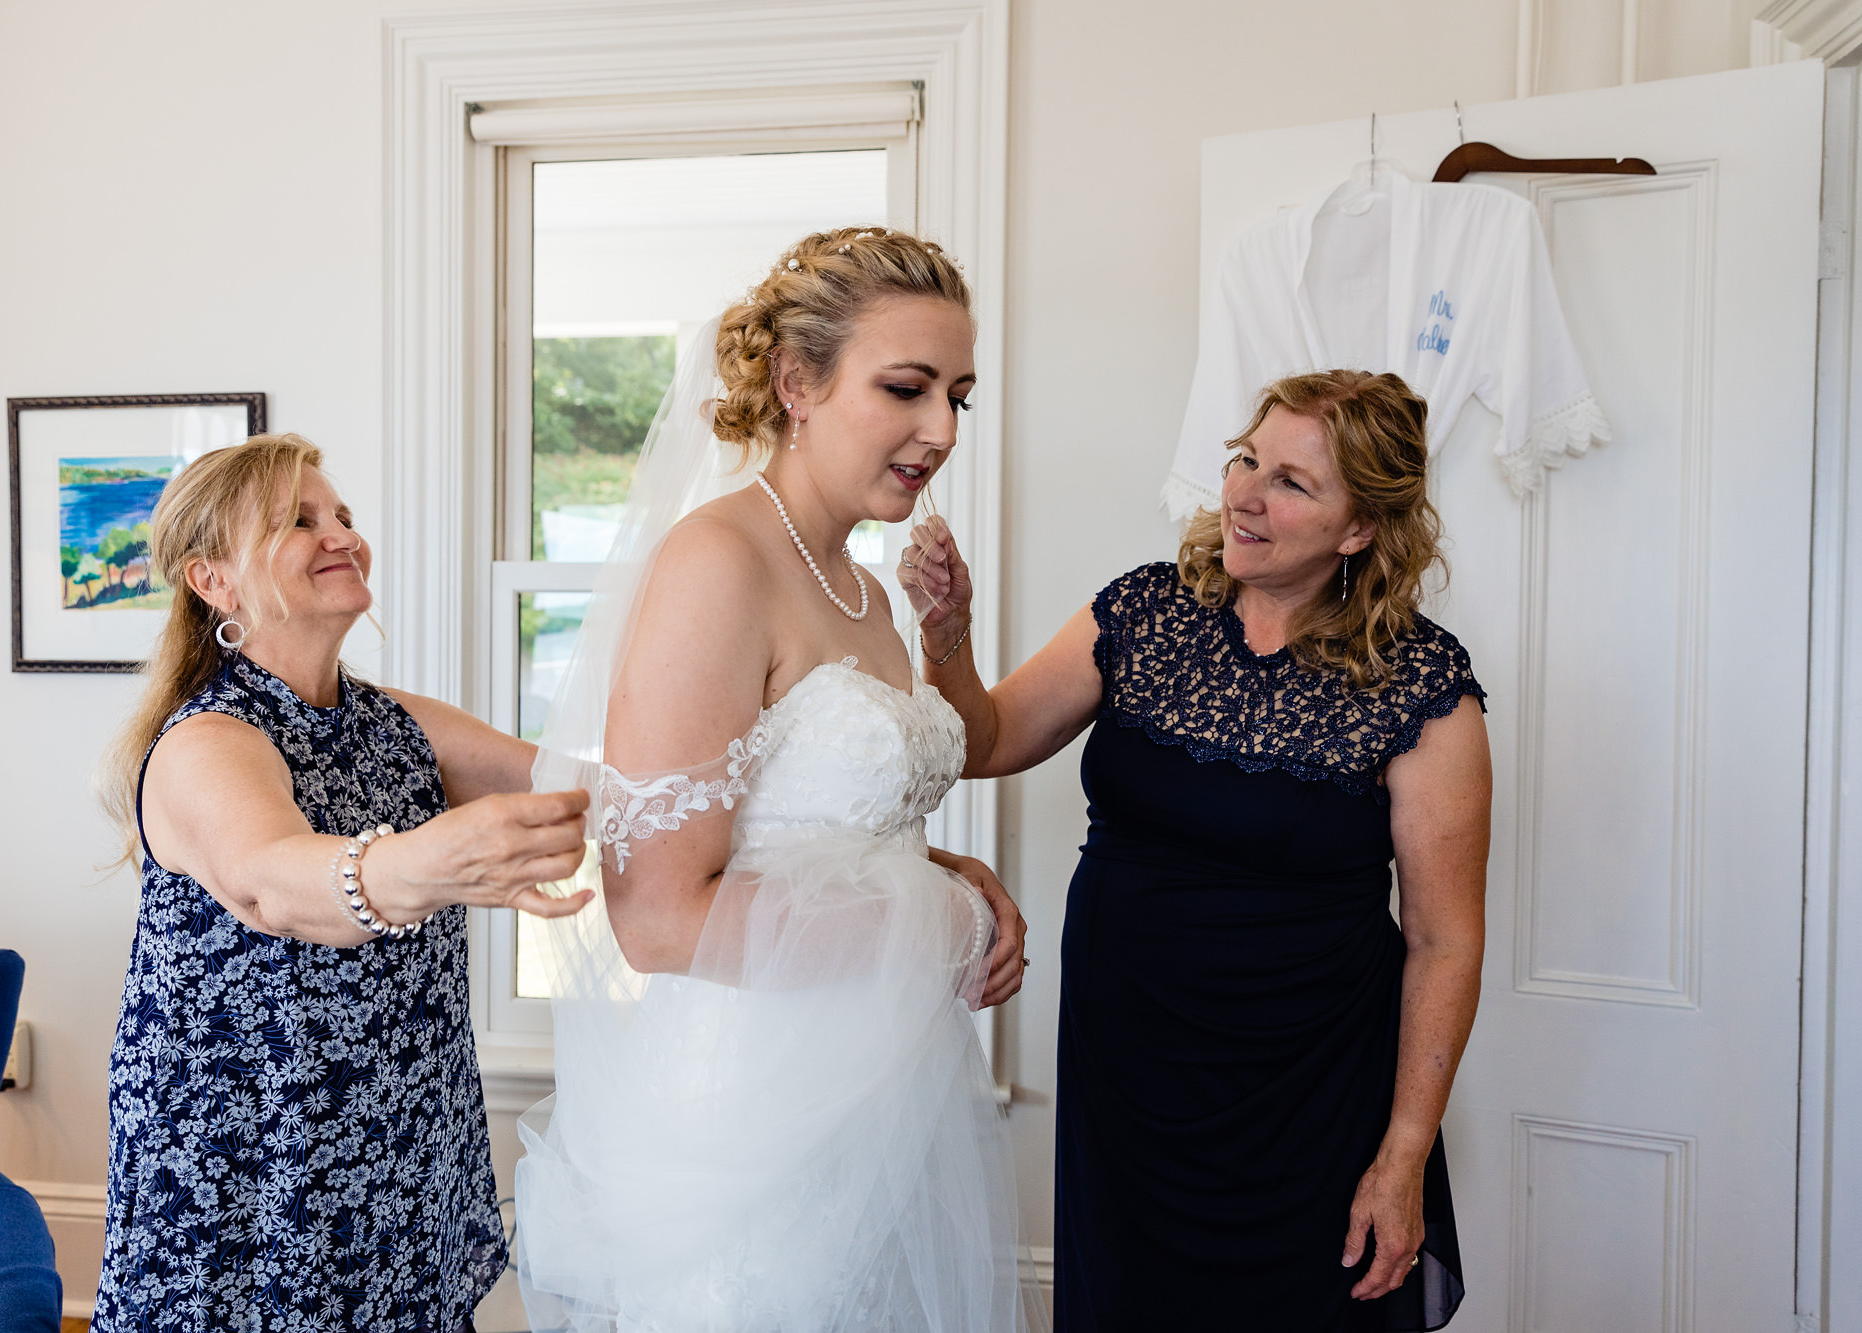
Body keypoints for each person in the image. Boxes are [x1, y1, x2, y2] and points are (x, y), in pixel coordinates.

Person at [513, 227, 1043, 1332]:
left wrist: (946, 866)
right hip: (748, 1114)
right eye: (905, 388)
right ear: (796, 383)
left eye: (958, 395)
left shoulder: (861, 583)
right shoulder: (717, 564)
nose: (940, 430)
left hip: (876, 1093)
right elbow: (660, 916)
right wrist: (940, 916)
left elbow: (812, 829)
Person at [900, 371, 1488, 1331]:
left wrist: (1404, 1151)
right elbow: (984, 741)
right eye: (1246, 459)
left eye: (1293, 481)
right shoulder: (1141, 614)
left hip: (1311, 1097)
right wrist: (949, 639)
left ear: (1360, 529)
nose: (1246, 495)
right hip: (1127, 1076)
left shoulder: (1422, 684)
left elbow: (1444, 941)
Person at [92, 434, 592, 1332]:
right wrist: (432, 860)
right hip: (256, 1168)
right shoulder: (206, 742)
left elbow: (591, 789)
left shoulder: (397, 722)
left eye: (344, 517)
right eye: (298, 521)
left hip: (398, 1146)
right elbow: (272, 883)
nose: (342, 536)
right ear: (215, 582)